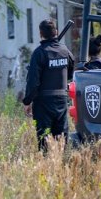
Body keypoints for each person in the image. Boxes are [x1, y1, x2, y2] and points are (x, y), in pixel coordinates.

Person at [23, 19, 75, 152]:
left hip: (43, 102)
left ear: (41, 34)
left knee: (44, 140)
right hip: (62, 101)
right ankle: (61, 166)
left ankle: (47, 167)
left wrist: (27, 101)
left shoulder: (39, 53)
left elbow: (33, 81)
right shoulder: (65, 51)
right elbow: (70, 72)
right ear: (56, 32)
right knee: (62, 140)